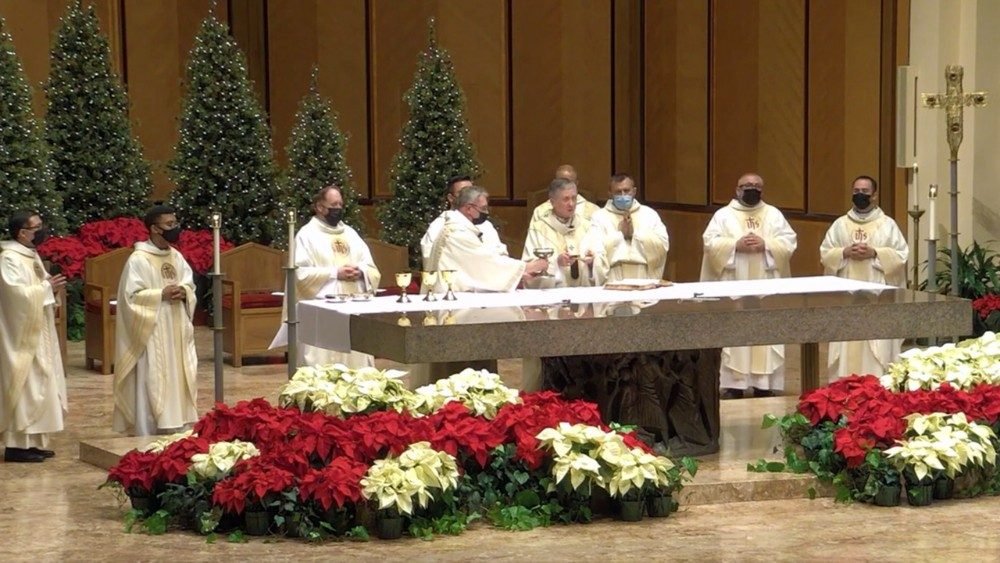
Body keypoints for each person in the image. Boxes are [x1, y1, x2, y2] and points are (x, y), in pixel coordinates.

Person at [700, 172, 797, 399]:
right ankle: (735, 384)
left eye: (756, 185)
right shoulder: (723, 215)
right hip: (734, 287)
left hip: (765, 287)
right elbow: (710, 243)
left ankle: (765, 384)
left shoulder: (773, 215)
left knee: (766, 329)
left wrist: (767, 244)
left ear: (762, 190)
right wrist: (734, 246)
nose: (751, 188)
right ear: (737, 189)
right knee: (734, 332)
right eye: (746, 185)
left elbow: (789, 242)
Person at [113, 205, 198, 436]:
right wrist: (160, 294)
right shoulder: (138, 259)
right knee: (155, 373)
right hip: (153, 328)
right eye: (169, 224)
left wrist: (184, 292)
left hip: (176, 326)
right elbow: (129, 297)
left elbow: (189, 284)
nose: (175, 228)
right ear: (154, 229)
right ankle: (152, 424)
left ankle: (178, 421)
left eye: (175, 222)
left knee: (178, 371)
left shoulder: (176, 256)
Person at [279, 185, 382, 368]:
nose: (338, 209)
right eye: (333, 205)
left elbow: (371, 267)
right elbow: (299, 274)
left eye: (340, 204)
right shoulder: (307, 235)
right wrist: (336, 273)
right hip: (323, 312)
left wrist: (361, 272)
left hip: (352, 308)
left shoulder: (350, 234)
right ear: (319, 207)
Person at [820, 175, 908, 379]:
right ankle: (843, 382)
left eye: (865, 192)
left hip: (876, 293)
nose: (860, 195)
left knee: (875, 339)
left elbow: (901, 254)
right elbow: (825, 252)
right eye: (856, 191)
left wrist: (875, 253)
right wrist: (844, 252)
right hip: (846, 295)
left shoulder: (887, 224)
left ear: (874, 195)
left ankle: (875, 381)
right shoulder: (840, 224)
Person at [0, 211, 67, 462]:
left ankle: (34, 441)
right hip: (20, 336)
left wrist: (51, 286)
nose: (42, 230)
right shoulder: (9, 259)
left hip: (39, 329)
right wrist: (46, 288)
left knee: (41, 381)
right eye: (37, 227)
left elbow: (40, 285)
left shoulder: (30, 254)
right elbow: (15, 296)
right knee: (26, 384)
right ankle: (17, 446)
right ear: (22, 233)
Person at [428, 186, 548, 292]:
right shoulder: (458, 233)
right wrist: (527, 267)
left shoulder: (459, 228)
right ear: (469, 209)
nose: (486, 212)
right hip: (452, 298)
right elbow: (485, 262)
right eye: (483, 208)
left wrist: (519, 273)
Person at [587, 173, 670, 284]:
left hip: (643, 277)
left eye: (626, 191)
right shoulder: (599, 217)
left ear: (634, 191)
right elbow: (594, 250)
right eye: (618, 192)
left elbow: (662, 245)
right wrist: (619, 235)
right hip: (613, 278)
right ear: (610, 194)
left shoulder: (649, 214)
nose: (622, 195)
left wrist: (634, 234)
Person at [522, 177, 596, 288]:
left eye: (574, 198)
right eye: (566, 199)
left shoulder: (587, 226)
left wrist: (592, 264)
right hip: (552, 296)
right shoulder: (540, 228)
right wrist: (556, 264)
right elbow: (529, 267)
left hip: (583, 295)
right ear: (552, 202)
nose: (571, 204)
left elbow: (601, 263)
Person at [421, 175, 506, 268]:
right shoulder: (440, 226)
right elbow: (431, 259)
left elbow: (500, 252)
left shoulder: (486, 225)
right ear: (451, 198)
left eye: (472, 191)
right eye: (463, 193)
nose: (470, 196)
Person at [529, 165, 600, 223]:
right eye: (561, 182)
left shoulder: (593, 211)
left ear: (577, 183)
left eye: (569, 182)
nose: (565, 186)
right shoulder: (541, 211)